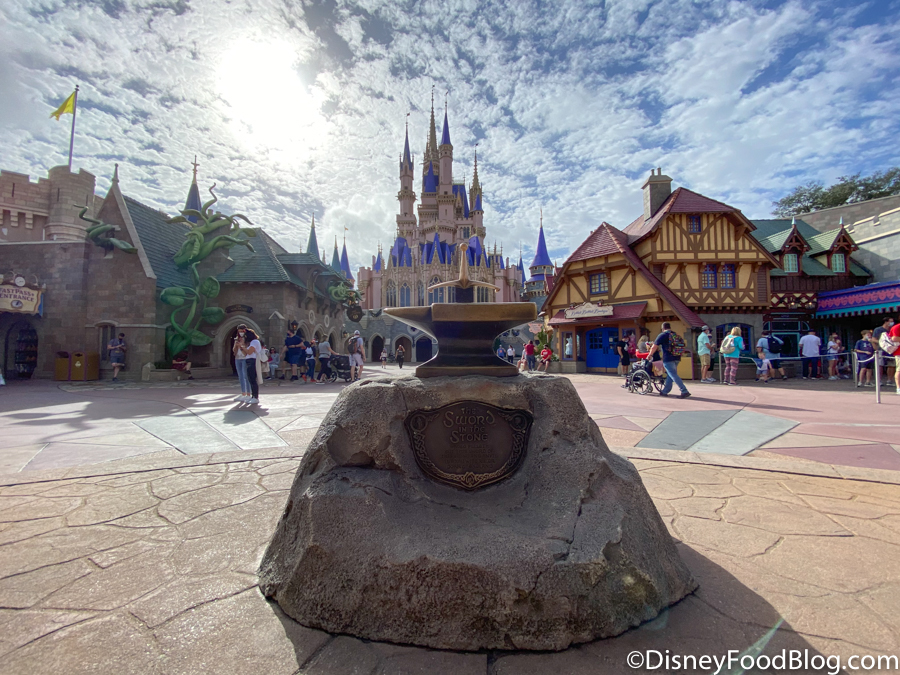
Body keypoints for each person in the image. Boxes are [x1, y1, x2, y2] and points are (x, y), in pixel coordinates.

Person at [647, 322, 690, 398]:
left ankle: (684, 391)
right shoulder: (675, 334)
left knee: (673, 375)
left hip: (668, 358)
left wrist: (650, 355)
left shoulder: (663, 335)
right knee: (671, 375)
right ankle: (665, 391)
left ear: (663, 328)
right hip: (677, 357)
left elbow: (654, 346)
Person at [873, 316, 895, 384]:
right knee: (880, 365)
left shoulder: (892, 329)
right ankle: (879, 380)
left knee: (891, 365)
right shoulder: (878, 330)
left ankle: (889, 380)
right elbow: (873, 339)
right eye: (890, 321)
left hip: (891, 349)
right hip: (881, 349)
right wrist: (882, 343)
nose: (892, 323)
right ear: (886, 322)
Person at [889, 318, 900, 394]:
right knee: (899, 369)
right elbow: (894, 338)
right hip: (899, 352)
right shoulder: (897, 327)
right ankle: (898, 388)